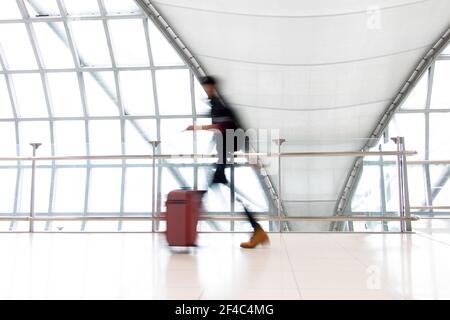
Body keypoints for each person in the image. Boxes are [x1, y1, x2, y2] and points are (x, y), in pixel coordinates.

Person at [186, 76, 269, 249]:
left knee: (213, 193)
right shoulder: (215, 105)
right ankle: (256, 230)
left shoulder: (218, 106)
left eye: (208, 87)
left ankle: (190, 234)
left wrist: (196, 128)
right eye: (205, 87)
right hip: (223, 155)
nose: (206, 90)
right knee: (220, 192)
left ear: (213, 87)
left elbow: (224, 128)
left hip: (225, 155)